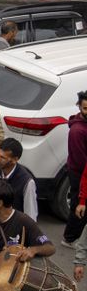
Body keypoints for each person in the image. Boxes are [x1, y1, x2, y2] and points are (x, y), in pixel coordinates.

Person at [64, 91, 87, 247]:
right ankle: (70, 238)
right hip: (79, 173)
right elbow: (80, 161)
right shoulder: (77, 131)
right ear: (79, 106)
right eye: (85, 108)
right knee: (79, 205)